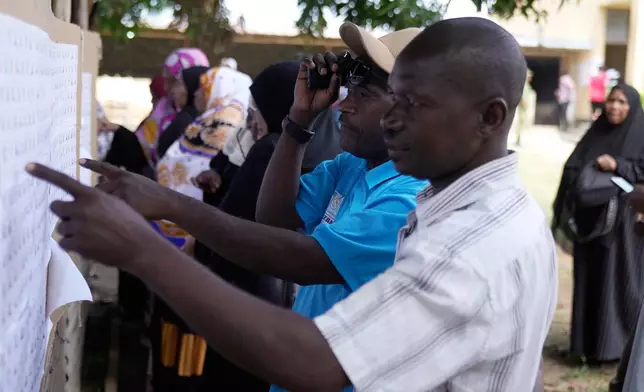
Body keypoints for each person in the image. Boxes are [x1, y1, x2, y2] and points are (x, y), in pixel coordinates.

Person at [29, 17, 556, 391]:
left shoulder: (466, 245)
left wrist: (142, 247)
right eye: (390, 97)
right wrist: (298, 124)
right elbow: (275, 220)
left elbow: (317, 354)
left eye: (412, 104)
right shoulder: (452, 199)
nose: (393, 118)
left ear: (490, 117)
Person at [552, 83, 644, 363]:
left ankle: (617, 349)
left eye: (622, 102)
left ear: (633, 107)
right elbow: (571, 167)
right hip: (590, 225)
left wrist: (618, 165)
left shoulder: (640, 136)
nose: (615, 107)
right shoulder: (595, 134)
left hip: (624, 229)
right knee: (591, 281)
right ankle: (587, 346)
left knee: (618, 283)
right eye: (611, 101)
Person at [135, 48, 210, 168]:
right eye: (166, 80)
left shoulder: (207, 120)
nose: (167, 88)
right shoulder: (163, 110)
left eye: (174, 82)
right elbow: (138, 149)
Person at [156, 66, 210, 160]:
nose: (173, 90)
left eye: (179, 85)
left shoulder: (185, 122)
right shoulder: (201, 120)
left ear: (192, 87)